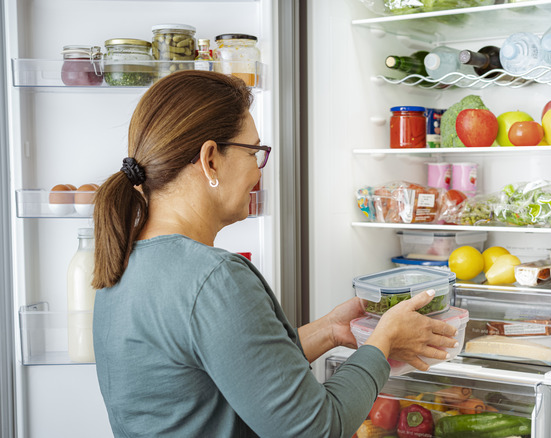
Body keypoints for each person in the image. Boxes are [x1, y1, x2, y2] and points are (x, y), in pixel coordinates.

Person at [90, 70, 458, 438]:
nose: (258, 170)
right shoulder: (213, 278)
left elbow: (236, 375)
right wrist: (384, 341)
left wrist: (329, 331)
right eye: (254, 152)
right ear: (210, 160)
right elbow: (316, 428)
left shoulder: (123, 261)